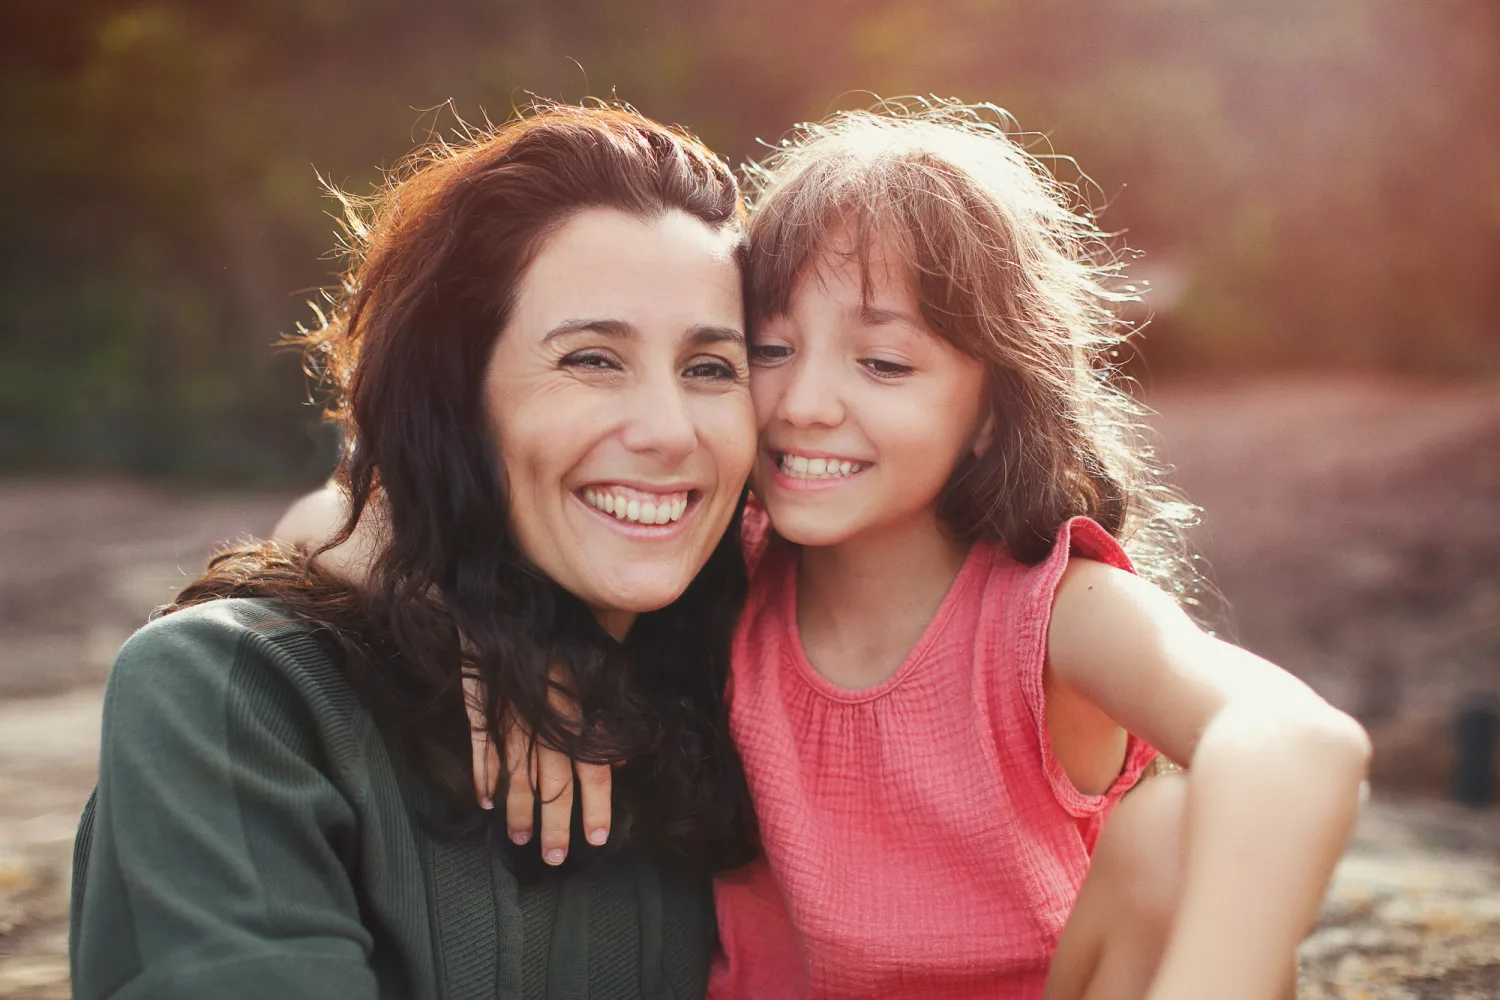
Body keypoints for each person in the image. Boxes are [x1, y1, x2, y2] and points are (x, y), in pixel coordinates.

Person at [460, 102, 1371, 999]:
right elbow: (340, 526)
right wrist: (515, 642)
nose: (804, 403)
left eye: (884, 364)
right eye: (769, 350)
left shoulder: (1052, 616)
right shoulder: (711, 562)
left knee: (1171, 831)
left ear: (989, 411)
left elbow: (1299, 741)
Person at [68, 103, 763, 999]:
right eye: (592, 359)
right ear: (454, 399)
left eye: (711, 368)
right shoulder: (238, 691)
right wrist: (474, 607)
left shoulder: (761, 683)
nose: (671, 433)